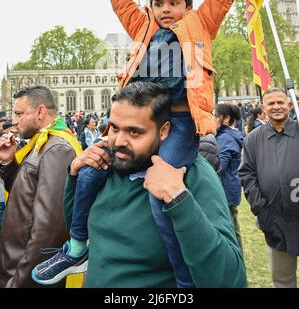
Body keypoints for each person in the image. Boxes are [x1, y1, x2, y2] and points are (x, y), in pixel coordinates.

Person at [32, 82, 246, 288]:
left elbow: (230, 280)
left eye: (134, 132)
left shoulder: (191, 175)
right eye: (114, 128)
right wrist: (75, 175)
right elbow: (78, 227)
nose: (119, 141)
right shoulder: (105, 168)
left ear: (163, 131)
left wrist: (179, 198)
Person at [0, 85, 82, 287]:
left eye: (19, 113)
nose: (15, 120)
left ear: (40, 111)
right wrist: (9, 163)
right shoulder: (41, 142)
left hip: (22, 272)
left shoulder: (57, 149)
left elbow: (49, 230)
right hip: (15, 263)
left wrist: (20, 281)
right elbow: (25, 194)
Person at [239, 87, 299, 288]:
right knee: (283, 280)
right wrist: (261, 210)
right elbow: (246, 174)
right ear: (263, 108)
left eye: (281, 102)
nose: (277, 107)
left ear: (289, 105)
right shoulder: (253, 139)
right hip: (275, 222)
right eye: (271, 103)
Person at [214, 103, 244, 252]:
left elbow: (218, 166)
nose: (212, 119)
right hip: (229, 187)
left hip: (225, 189)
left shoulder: (226, 138)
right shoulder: (227, 135)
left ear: (225, 118)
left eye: (215, 116)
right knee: (233, 228)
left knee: (230, 231)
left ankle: (237, 265)